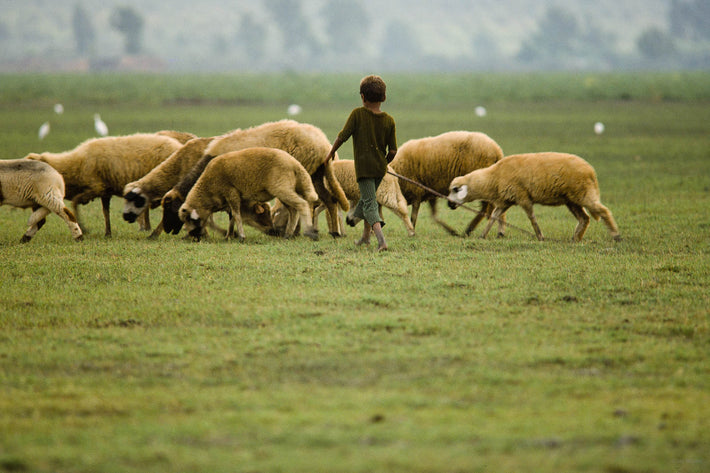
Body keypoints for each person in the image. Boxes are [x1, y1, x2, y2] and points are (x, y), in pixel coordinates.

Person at [326, 75, 397, 251]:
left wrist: (331, 152)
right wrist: (384, 163)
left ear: (362, 97)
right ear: (384, 97)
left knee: (370, 204)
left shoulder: (357, 114)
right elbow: (393, 151)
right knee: (367, 200)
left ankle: (381, 241)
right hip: (380, 169)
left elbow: (342, 136)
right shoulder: (389, 120)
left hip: (364, 170)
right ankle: (365, 237)